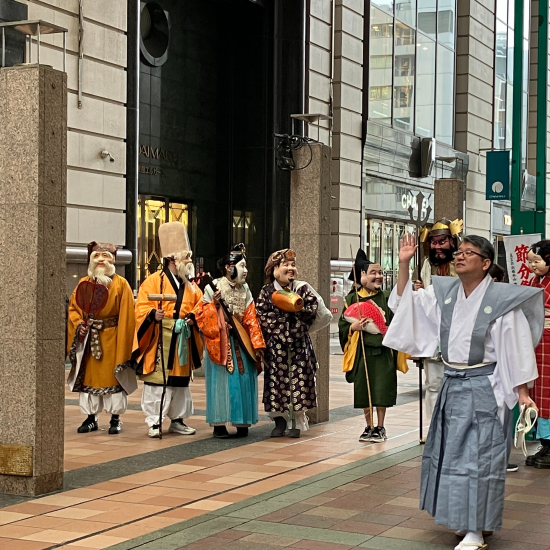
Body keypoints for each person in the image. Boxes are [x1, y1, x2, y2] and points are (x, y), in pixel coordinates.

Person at [384, 233, 542, 550]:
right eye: (459, 252)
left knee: (480, 458)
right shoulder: (444, 293)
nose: (459, 256)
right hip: (452, 381)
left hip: (487, 385)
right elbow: (406, 305)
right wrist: (403, 263)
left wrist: (522, 392)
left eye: (468, 253)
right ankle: (465, 519)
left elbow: (517, 348)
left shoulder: (502, 302)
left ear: (485, 263)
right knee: (451, 454)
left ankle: (476, 530)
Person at [133, 222, 203, 438]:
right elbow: (141, 307)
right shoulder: (154, 282)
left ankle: (177, 419)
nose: (190, 261)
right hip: (160, 338)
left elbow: (201, 307)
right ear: (172, 259)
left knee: (180, 384)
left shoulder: (190, 285)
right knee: (157, 382)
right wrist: (153, 315)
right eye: (186, 256)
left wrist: (194, 318)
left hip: (183, 335)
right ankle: (154, 421)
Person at [256, 249, 332, 437]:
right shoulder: (266, 292)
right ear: (274, 269)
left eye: (293, 265)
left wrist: (298, 324)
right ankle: (279, 420)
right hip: (276, 348)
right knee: (276, 382)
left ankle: (296, 422)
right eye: (286, 265)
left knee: (299, 381)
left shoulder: (303, 288)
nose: (291, 268)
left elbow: (316, 312)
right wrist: (282, 329)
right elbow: (263, 316)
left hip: (299, 346)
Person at [195, 244, 266, 438]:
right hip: (221, 342)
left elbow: (251, 317)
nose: (246, 270)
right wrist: (214, 305)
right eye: (242, 266)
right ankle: (219, 424)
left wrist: (257, 344)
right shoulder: (214, 286)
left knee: (243, 380)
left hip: (242, 343)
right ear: (229, 267)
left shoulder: (246, 290)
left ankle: (242, 421)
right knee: (221, 382)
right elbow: (200, 314)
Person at [67, 242, 136, 434]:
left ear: (113, 260)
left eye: (105, 256)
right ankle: (91, 418)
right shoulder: (84, 283)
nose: (101, 260)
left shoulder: (121, 284)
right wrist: (79, 325)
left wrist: (124, 345)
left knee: (114, 378)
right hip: (89, 338)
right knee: (89, 378)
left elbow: (128, 316)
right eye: (97, 256)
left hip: (113, 338)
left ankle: (115, 418)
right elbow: (74, 309)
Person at [338, 249, 397, 443]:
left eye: (380, 272)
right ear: (362, 275)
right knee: (365, 389)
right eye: (373, 272)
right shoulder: (351, 299)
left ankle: (380, 426)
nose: (378, 276)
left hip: (382, 351)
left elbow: (397, 320)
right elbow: (342, 324)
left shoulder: (387, 297)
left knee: (381, 389)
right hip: (362, 352)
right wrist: (353, 327)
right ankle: (368, 425)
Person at [414, 218, 462, 419]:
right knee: (433, 385)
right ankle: (434, 427)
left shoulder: (462, 263)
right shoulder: (426, 264)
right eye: (434, 242)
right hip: (433, 332)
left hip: (459, 333)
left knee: (458, 385)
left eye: (442, 241)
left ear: (452, 241)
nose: (437, 246)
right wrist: (416, 290)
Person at [527, 240, 550, 468]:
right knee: (540, 392)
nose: (533, 265)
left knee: (548, 393)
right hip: (537, 341)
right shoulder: (535, 281)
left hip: (548, 341)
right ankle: (545, 442)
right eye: (531, 261)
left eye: (537, 261)